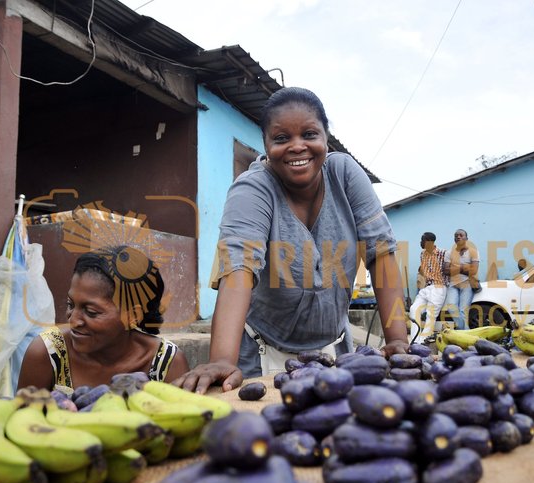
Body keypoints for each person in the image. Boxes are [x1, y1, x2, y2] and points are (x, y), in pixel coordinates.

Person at [173, 87, 409, 393]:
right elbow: (238, 269)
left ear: (326, 137)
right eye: (281, 138)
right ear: (266, 145)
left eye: (309, 134)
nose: (297, 147)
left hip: (336, 352)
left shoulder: (345, 175)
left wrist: (398, 341)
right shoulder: (254, 188)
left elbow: (382, 254)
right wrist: (220, 359)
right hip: (261, 354)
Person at [17, 246, 189, 391]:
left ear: (133, 316)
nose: (74, 320)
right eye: (71, 305)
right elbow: (22, 423)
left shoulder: (166, 364)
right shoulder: (47, 353)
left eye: (91, 312)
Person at [409, 232, 448, 343]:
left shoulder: (443, 253)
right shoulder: (423, 254)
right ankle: (415, 340)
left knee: (430, 316)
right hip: (426, 288)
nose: (420, 242)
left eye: (422, 240)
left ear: (429, 241)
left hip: (439, 287)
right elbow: (423, 270)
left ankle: (423, 341)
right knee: (414, 309)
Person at [443, 229, 480, 330]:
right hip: (453, 285)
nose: (458, 237)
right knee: (451, 308)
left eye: (461, 235)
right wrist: (464, 267)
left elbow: (473, 270)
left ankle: (463, 335)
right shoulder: (449, 253)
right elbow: (445, 270)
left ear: (466, 238)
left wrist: (455, 267)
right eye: (456, 235)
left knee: (463, 311)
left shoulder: (473, 252)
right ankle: (464, 332)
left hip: (467, 283)